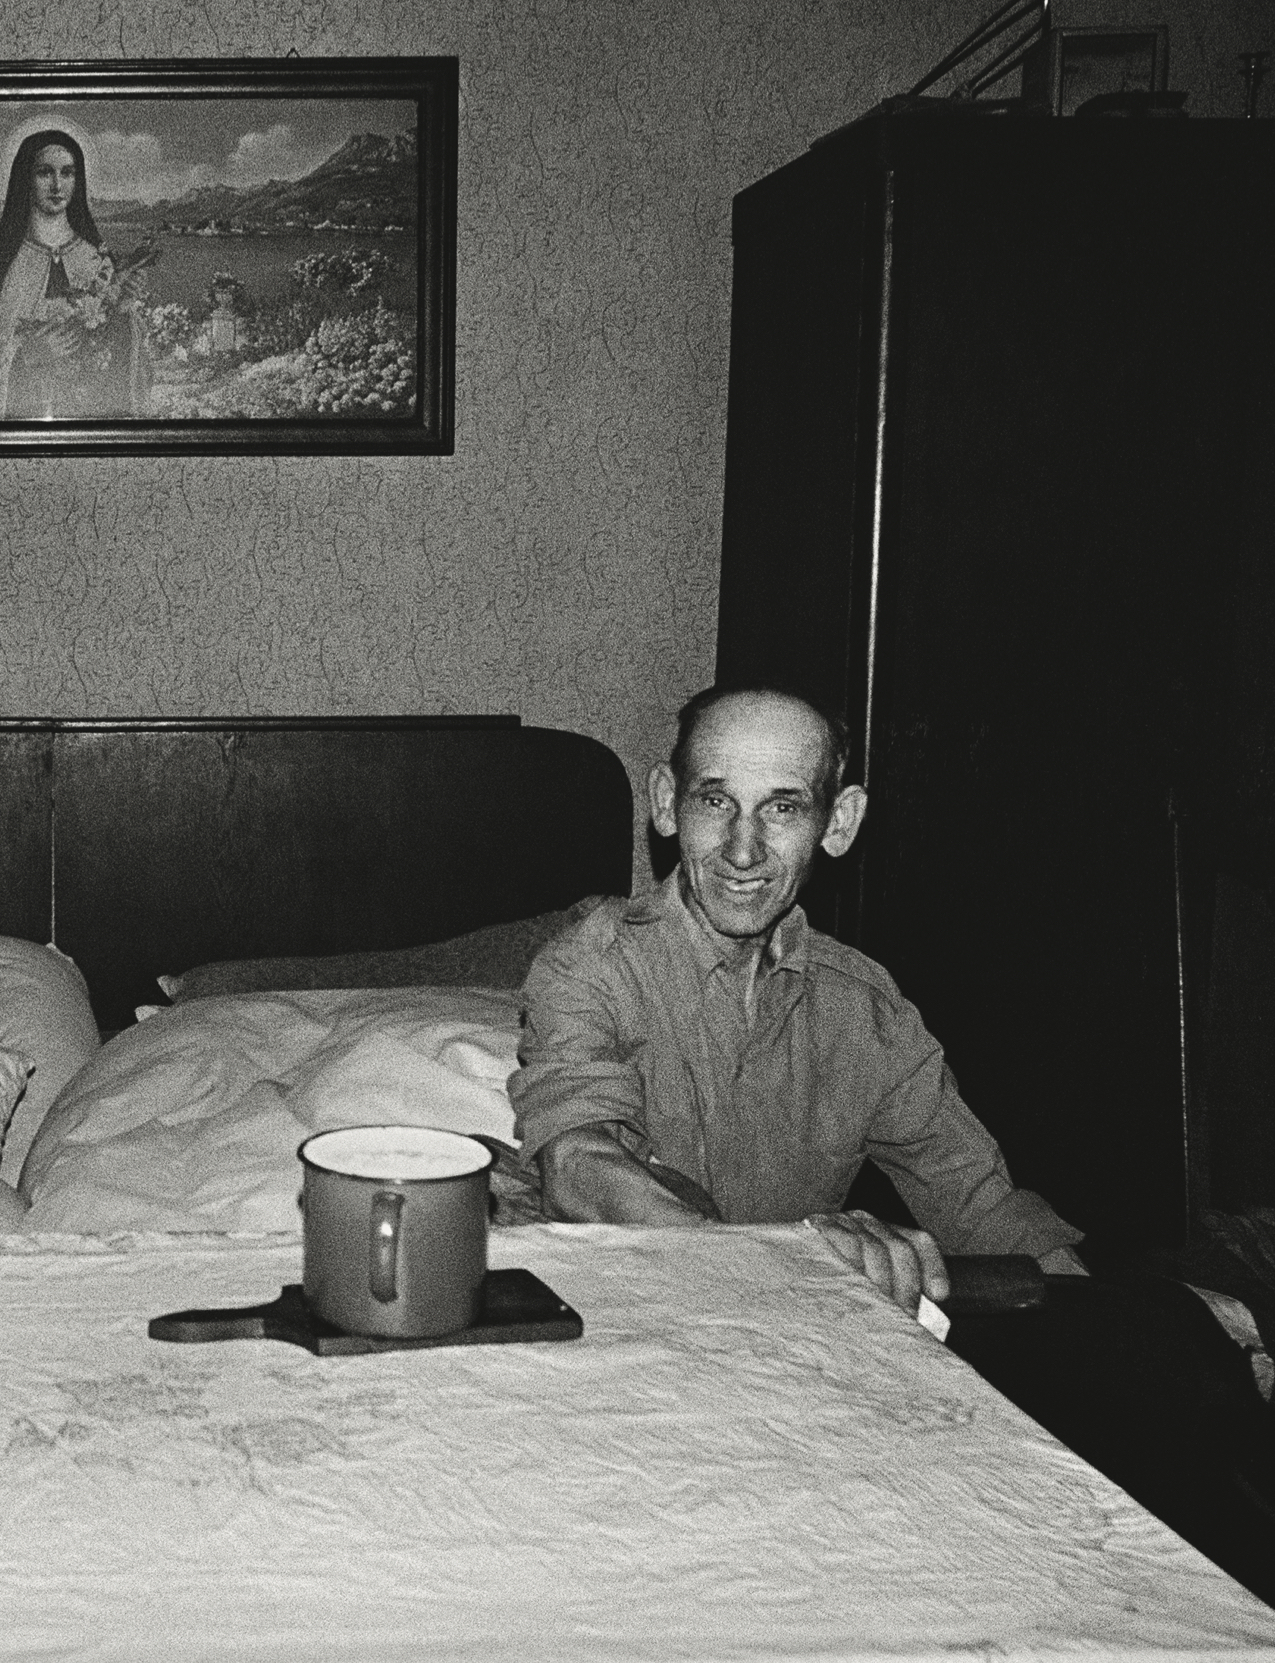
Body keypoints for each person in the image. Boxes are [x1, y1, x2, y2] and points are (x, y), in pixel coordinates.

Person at [514, 684, 1275, 1598]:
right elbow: (582, 1165)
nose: (745, 850)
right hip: (624, 1364)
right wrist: (786, 1261)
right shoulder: (592, 962)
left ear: (839, 823)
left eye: (784, 807)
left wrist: (1133, 1335)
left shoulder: (864, 1005)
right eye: (717, 801)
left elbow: (984, 1205)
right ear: (668, 805)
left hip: (811, 1384)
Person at [0, 129, 146, 419]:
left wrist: (123, 311)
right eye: (44, 173)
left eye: (67, 173)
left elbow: (119, 374)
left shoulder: (97, 262)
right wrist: (23, 356)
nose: (56, 185)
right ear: (26, 179)